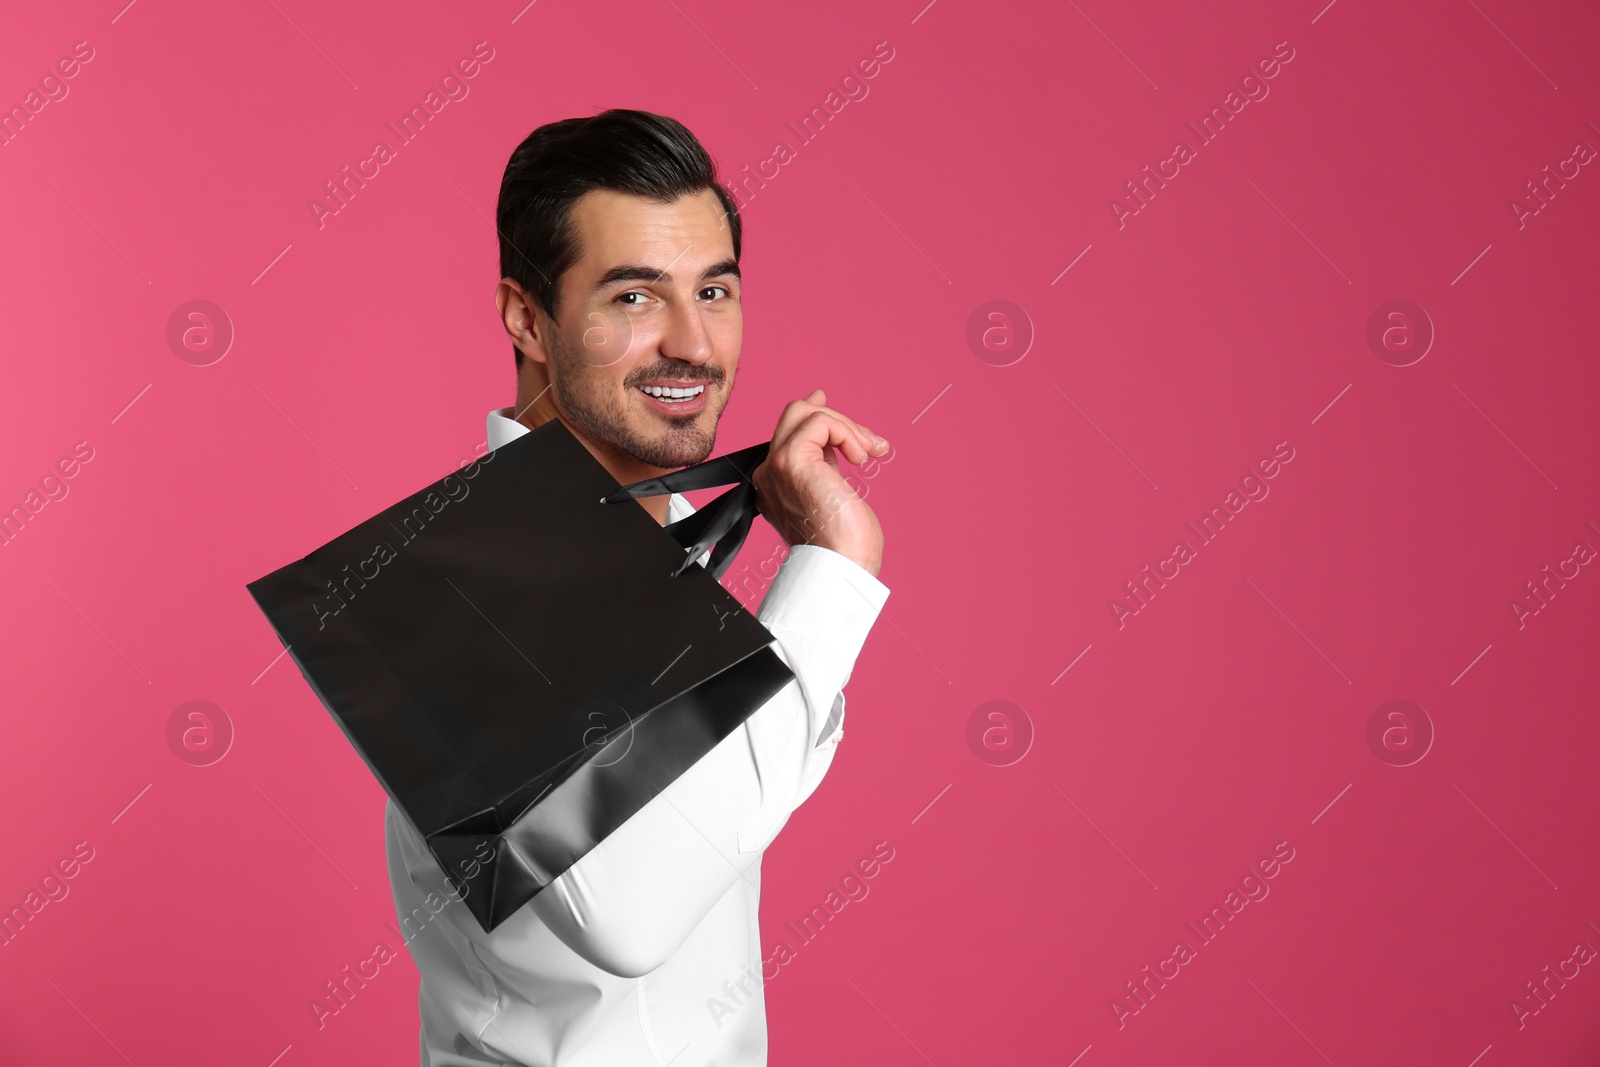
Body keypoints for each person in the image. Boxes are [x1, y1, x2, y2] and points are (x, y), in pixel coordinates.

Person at [383, 109, 892, 1065]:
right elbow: (631, 910)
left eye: (714, 289)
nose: (694, 344)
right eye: (633, 297)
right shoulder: (469, 591)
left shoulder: (657, 568)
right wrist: (831, 569)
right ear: (526, 316)